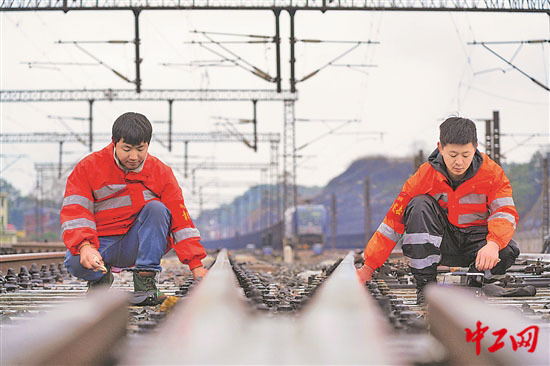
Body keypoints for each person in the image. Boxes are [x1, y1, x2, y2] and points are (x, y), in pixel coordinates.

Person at [356, 117, 519, 304]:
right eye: (452, 154)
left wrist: (494, 244)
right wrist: (368, 267)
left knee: (508, 250)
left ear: (475, 147)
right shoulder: (424, 177)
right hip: (443, 244)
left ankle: (476, 280)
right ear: (440, 147)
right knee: (419, 204)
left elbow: (505, 213)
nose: (459, 162)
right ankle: (426, 287)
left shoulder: (492, 174)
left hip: (476, 246)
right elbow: (393, 223)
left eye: (466, 155)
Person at [61, 112, 208, 305]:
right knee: (75, 262)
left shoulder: (161, 173)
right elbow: (76, 211)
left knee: (157, 209)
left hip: (136, 243)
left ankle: (145, 283)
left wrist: (196, 265)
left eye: (140, 149)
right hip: (101, 244)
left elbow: (182, 221)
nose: (133, 157)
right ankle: (99, 281)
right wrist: (85, 246)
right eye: (126, 149)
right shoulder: (88, 168)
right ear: (114, 142)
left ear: (148, 144)